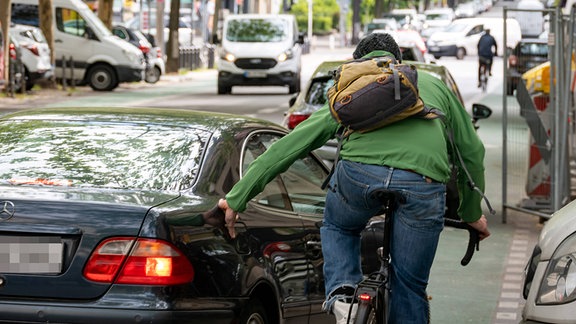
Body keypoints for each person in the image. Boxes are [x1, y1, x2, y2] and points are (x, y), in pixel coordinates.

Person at [217, 32, 491, 324]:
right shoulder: (432, 84)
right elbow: (472, 152)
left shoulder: (353, 87)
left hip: (358, 177)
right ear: (399, 60)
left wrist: (237, 198)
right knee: (409, 286)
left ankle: (344, 295)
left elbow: (291, 145)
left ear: (359, 62)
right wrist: (471, 212)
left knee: (338, 226)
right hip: (421, 183)